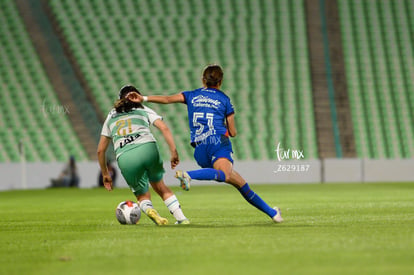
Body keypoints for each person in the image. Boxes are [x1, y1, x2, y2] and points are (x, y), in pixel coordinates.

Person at [127, 64, 283, 223]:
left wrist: (143, 98)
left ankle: (273, 213)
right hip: (217, 142)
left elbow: (167, 99)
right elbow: (233, 132)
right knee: (225, 175)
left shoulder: (192, 95)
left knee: (240, 183)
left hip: (200, 150)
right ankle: (188, 175)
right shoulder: (224, 99)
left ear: (203, 80)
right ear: (220, 81)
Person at [97, 85, 190, 225]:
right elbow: (164, 128)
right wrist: (173, 151)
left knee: (142, 195)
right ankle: (181, 218)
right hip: (148, 148)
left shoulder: (111, 115)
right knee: (161, 186)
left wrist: (105, 173)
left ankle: (150, 210)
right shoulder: (142, 109)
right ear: (137, 97)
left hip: (126, 155)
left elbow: (100, 150)